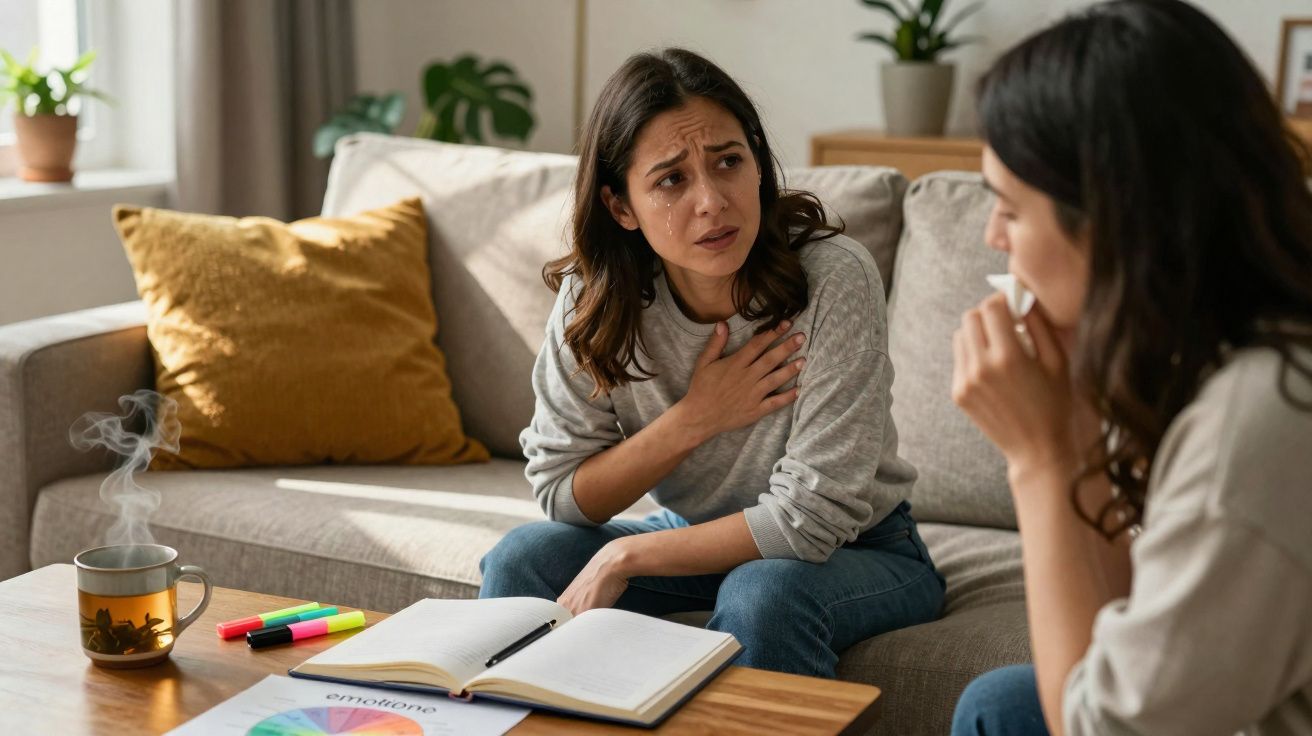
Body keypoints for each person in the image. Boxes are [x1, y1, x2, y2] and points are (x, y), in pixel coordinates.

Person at [478, 47, 945, 678]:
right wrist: (694, 419)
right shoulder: (593, 298)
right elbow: (562, 493)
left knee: (763, 594)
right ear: (621, 207)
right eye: (671, 179)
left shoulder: (834, 279)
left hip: (862, 549)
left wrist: (625, 559)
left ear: (756, 165)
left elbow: (808, 522)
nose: (712, 201)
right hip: (700, 531)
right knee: (523, 557)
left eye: (728, 162)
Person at [948, 1, 1312, 734]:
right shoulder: (1207, 348)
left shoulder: (1256, 420)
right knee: (997, 705)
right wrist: (1078, 432)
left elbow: (1103, 727)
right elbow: (1127, 627)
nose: (992, 237)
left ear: (1114, 223)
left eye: (1011, 211)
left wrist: (1042, 460)